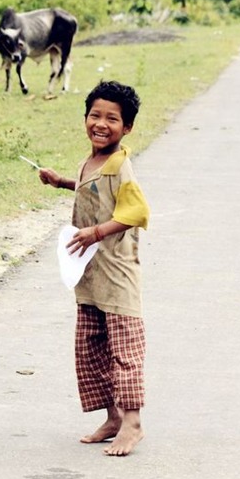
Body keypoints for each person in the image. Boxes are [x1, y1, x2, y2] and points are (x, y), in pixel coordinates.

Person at [38, 80, 150, 456]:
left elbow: (136, 211)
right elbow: (91, 191)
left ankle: (132, 424)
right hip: (90, 274)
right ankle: (112, 417)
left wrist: (97, 232)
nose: (101, 124)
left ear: (127, 127)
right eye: (95, 115)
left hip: (117, 276)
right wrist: (61, 183)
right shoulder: (93, 161)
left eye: (112, 119)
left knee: (123, 350)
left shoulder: (121, 166)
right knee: (92, 347)